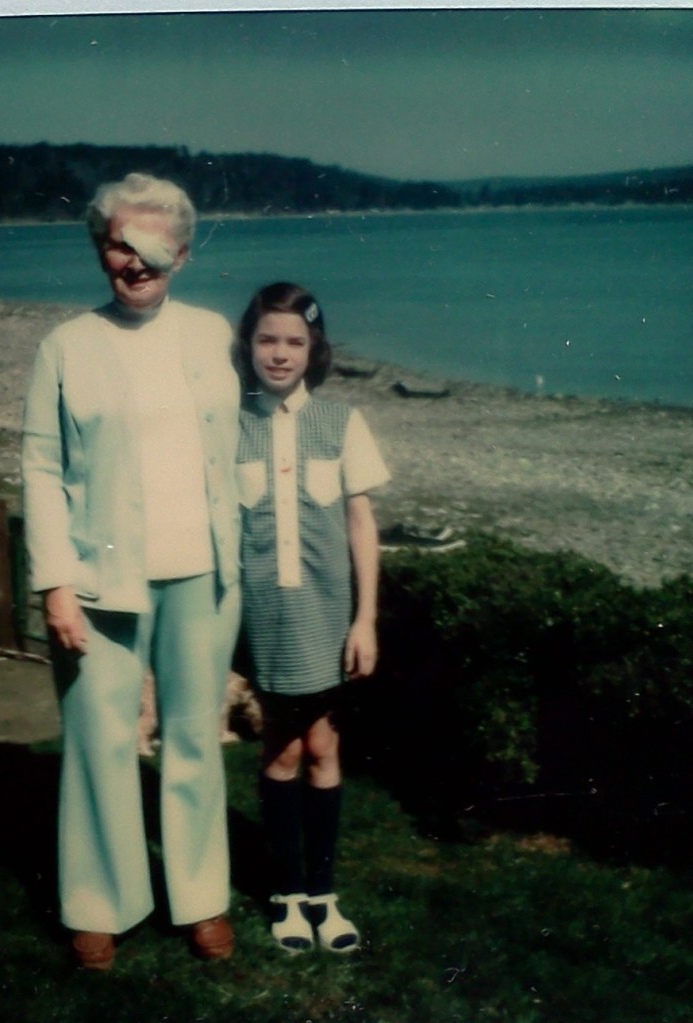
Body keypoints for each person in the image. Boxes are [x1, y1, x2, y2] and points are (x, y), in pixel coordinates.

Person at [21, 172, 241, 970]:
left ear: (181, 254)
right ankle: (98, 902)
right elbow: (41, 468)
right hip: (96, 580)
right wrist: (52, 583)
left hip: (204, 574)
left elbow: (249, 440)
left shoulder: (216, 335)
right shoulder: (66, 347)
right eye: (120, 243)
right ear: (99, 248)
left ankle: (202, 897)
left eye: (153, 247)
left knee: (193, 738)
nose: (135, 262)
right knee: (98, 738)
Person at [234, 281, 390, 954]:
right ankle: (287, 893)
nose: (279, 353)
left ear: (314, 350)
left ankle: (324, 892)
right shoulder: (229, 422)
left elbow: (360, 524)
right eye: (267, 338)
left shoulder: (342, 422)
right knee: (283, 748)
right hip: (266, 614)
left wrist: (366, 621)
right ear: (248, 344)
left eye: (294, 341)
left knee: (325, 748)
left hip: (329, 615)